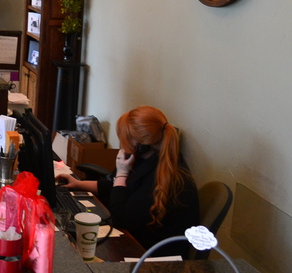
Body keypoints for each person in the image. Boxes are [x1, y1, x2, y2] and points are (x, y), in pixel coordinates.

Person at [56, 106, 199, 256]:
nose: (122, 142)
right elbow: (116, 188)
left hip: (152, 256)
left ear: (141, 145)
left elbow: (121, 220)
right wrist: (78, 184)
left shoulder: (165, 177)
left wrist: (122, 173)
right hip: (140, 240)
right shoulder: (147, 158)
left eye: (125, 138)